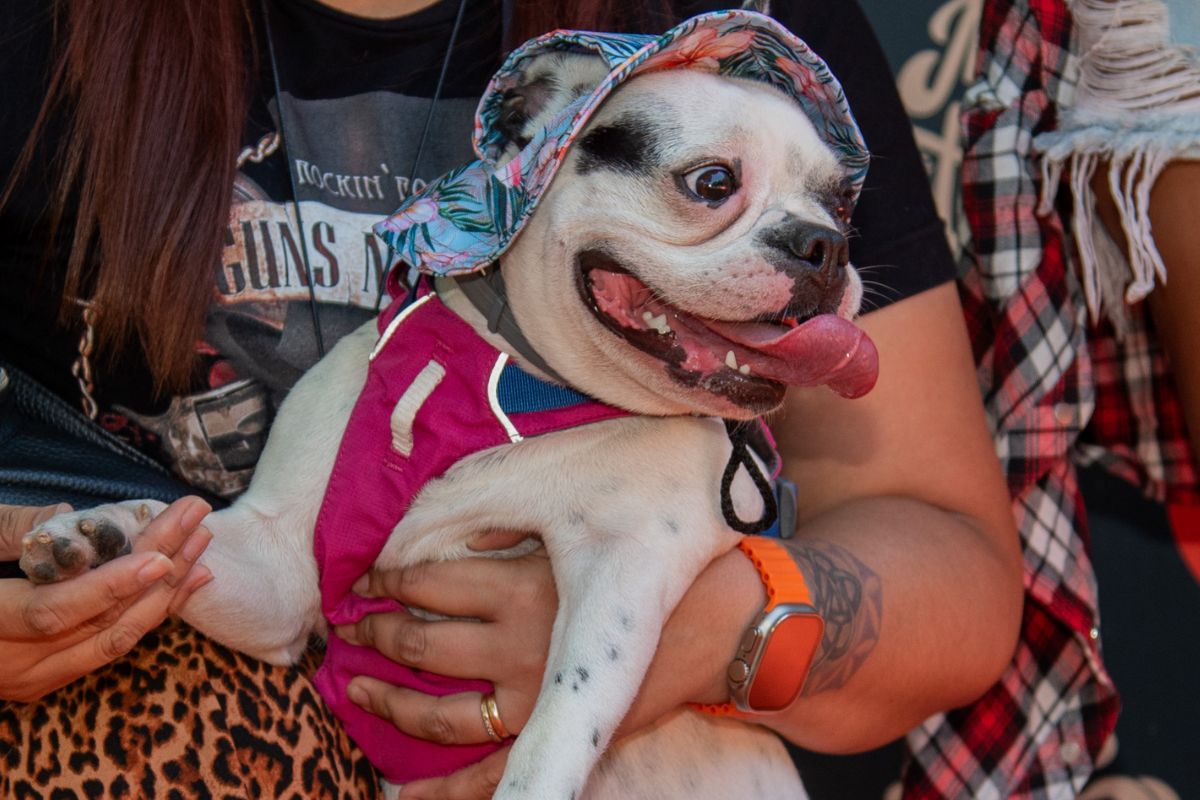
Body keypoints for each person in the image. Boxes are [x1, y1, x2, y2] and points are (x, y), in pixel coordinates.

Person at [0, 1, 1024, 798]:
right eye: (711, 185)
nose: (807, 238)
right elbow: (266, 566)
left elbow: (961, 576)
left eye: (830, 209)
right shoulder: (392, 365)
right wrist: (129, 556)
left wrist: (699, 627)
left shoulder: (672, 434)